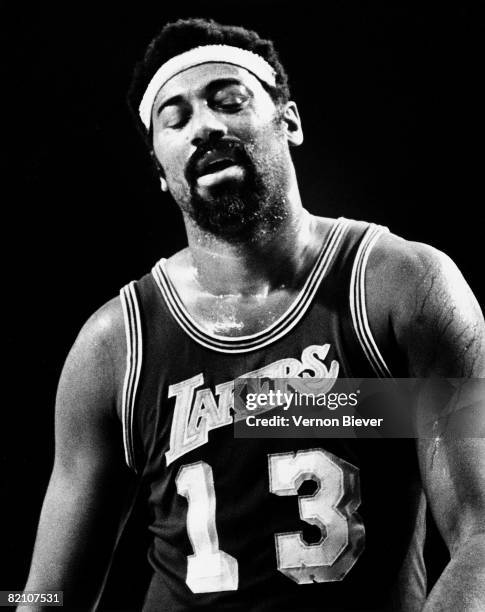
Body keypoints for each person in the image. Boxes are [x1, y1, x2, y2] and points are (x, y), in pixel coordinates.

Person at [21, 18, 485, 612]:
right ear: (161, 173)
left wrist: (331, 406)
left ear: (288, 119)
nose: (205, 126)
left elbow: (478, 531)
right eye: (175, 117)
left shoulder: (402, 287)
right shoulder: (115, 346)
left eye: (228, 100)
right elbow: (47, 595)